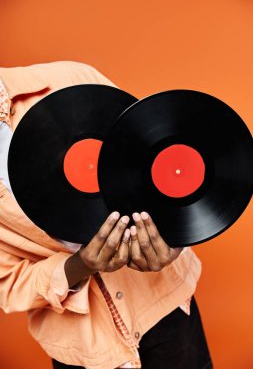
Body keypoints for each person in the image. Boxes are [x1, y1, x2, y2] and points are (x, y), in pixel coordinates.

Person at [0, 61, 213, 369]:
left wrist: (172, 238)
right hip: (82, 347)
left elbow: (160, 163)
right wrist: (78, 267)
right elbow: (8, 282)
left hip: (167, 310)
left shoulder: (70, 80)